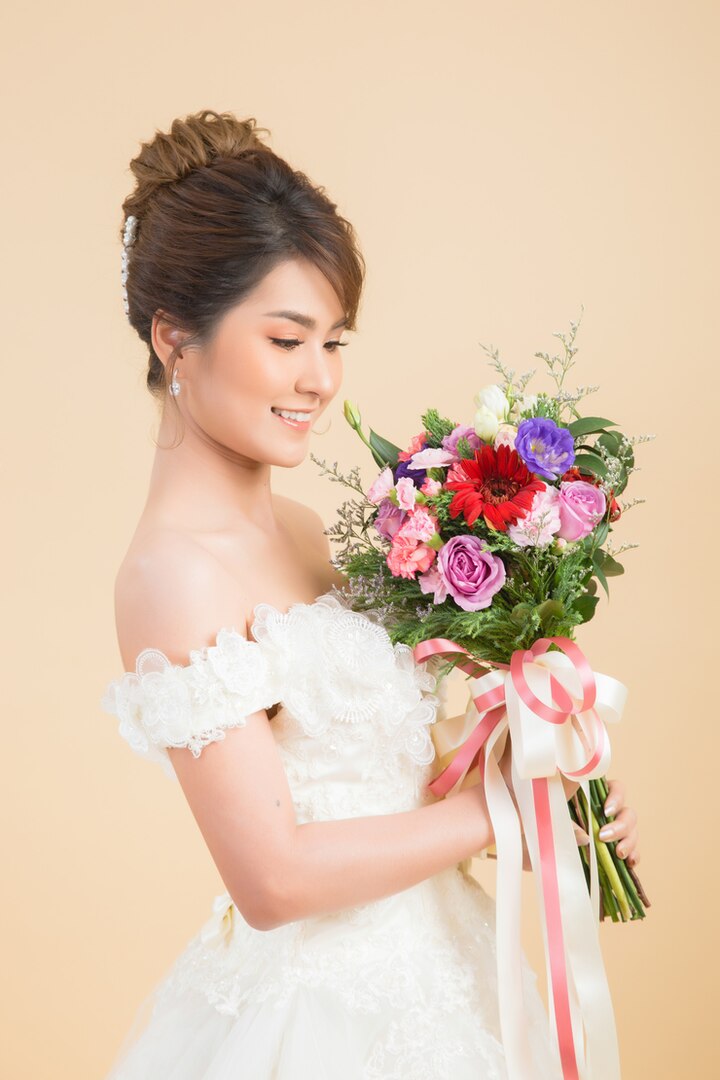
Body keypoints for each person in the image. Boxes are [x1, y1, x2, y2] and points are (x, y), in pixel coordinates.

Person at [101, 108, 641, 1079]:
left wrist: (546, 778)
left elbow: (383, 784)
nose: (319, 379)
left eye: (334, 341)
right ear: (174, 336)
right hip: (323, 1023)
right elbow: (273, 878)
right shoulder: (171, 574)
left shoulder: (306, 530)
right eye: (286, 339)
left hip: (445, 972)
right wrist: (505, 813)